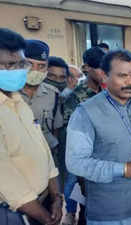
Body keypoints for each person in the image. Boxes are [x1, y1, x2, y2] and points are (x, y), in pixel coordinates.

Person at [66, 49, 131, 225]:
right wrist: (123, 169)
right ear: (104, 76)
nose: (130, 82)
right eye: (122, 76)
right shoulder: (86, 112)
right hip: (110, 212)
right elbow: (75, 162)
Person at [0, 28, 62, 225]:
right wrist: (44, 218)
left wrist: (56, 197)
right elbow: (5, 177)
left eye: (20, 63)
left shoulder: (18, 101)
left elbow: (44, 149)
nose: (19, 70)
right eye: (9, 65)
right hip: (18, 212)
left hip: (43, 203)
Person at [61, 47, 107, 225]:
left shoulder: (105, 94)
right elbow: (72, 133)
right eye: (99, 69)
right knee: (76, 187)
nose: (103, 74)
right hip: (83, 156)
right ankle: (71, 213)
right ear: (87, 68)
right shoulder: (76, 97)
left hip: (102, 156)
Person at [19, 40, 64, 167]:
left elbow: (56, 129)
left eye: (41, 66)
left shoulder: (53, 94)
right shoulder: (7, 93)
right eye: (29, 64)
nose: (35, 70)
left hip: (47, 160)